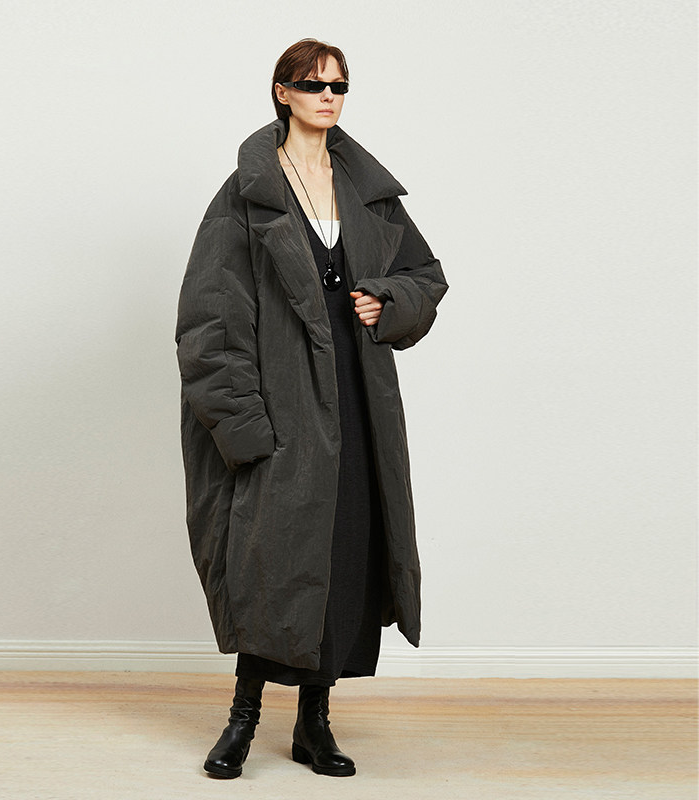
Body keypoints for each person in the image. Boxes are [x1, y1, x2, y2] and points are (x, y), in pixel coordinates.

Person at [175, 38, 448, 779]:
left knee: (343, 553)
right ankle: (242, 719)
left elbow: (425, 277)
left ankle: (315, 725)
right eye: (312, 83)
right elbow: (209, 322)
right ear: (282, 92)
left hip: (357, 397)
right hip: (281, 401)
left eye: (339, 85)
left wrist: (387, 299)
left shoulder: (366, 189)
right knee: (270, 558)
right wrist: (244, 427)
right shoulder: (246, 194)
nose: (328, 95)